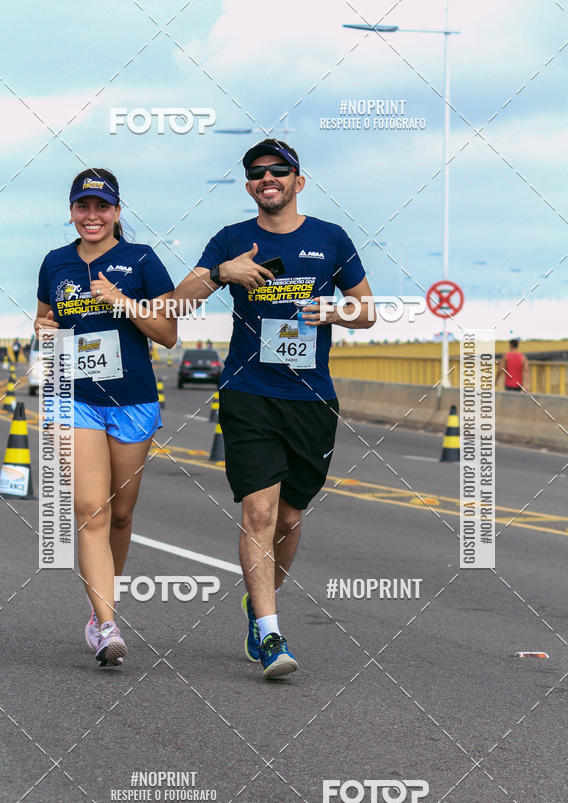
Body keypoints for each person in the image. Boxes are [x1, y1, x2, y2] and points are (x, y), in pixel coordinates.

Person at [173, 138, 375, 679]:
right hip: (248, 392)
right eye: (257, 172)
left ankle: (256, 603)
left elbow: (368, 310)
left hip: (311, 398)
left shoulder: (330, 238)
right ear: (248, 186)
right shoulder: (231, 240)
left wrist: (334, 311)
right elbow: (174, 304)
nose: (268, 178)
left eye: (278, 171)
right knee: (258, 513)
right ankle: (269, 632)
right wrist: (222, 274)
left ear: (297, 181)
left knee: (289, 516)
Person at [34, 167, 177, 666]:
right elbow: (46, 327)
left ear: (117, 212)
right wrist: (41, 329)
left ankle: (100, 612)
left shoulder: (141, 260)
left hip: (133, 399)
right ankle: (107, 624)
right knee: (91, 510)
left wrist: (122, 301)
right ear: (72, 211)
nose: (91, 216)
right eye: (82, 207)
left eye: (101, 207)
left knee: (120, 512)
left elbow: (166, 333)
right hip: (73, 398)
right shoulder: (55, 263)